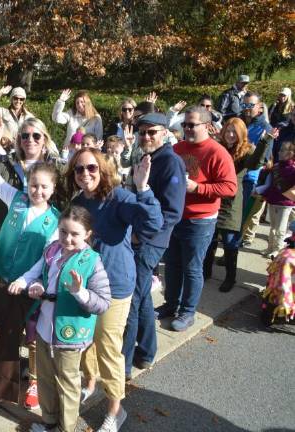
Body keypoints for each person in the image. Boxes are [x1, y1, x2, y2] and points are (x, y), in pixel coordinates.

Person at [65, 148, 163, 432]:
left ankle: (115, 411)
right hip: (85, 284)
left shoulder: (118, 197)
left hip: (115, 286)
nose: (86, 174)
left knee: (108, 348)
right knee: (86, 342)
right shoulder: (78, 202)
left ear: (103, 170)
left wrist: (143, 188)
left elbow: (153, 224)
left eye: (92, 168)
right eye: (79, 169)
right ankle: (91, 383)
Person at [9, 205, 111, 432]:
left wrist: (79, 291)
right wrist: (34, 285)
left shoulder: (92, 261)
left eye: (75, 234)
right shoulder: (52, 250)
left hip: (70, 334)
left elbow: (103, 302)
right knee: (45, 378)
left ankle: (66, 428)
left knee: (68, 384)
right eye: (64, 231)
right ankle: (50, 421)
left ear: (87, 234)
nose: (68, 238)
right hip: (45, 328)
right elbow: (38, 276)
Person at [0, 119, 61, 409]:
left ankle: (36, 384)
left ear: (52, 189)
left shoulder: (55, 221)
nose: (37, 191)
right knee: (4, 331)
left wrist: (27, 281)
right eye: (33, 185)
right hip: (3, 277)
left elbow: (45, 259)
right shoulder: (15, 198)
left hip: (29, 285)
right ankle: (5, 378)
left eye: (43, 187)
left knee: (32, 334)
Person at [156, 106, 237, 331]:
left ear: (207, 126)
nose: (188, 129)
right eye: (185, 125)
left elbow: (230, 188)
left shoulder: (217, 152)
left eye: (192, 125)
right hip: (174, 217)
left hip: (200, 220)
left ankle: (187, 311)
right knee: (172, 264)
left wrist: (197, 188)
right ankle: (171, 304)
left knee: (192, 268)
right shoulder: (177, 148)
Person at [121, 113, 186, 379]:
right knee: (143, 296)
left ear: (165, 133)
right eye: (143, 132)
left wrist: (141, 236)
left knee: (131, 301)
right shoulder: (147, 157)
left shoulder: (170, 162)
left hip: (149, 242)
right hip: (138, 237)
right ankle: (146, 351)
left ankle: (122, 366)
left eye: (152, 132)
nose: (146, 136)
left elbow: (173, 212)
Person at [203, 119, 272, 291]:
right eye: (228, 131)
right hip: (214, 197)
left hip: (232, 201)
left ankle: (230, 277)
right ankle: (205, 271)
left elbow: (255, 163)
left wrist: (266, 141)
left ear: (241, 134)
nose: (230, 135)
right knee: (210, 239)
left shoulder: (247, 150)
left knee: (230, 241)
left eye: (234, 132)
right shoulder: (218, 146)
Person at [0, 117, 61, 238]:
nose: (30, 139)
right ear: (19, 139)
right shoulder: (6, 162)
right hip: (5, 232)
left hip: (43, 233)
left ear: (45, 138)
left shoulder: (57, 167)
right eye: (25, 136)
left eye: (36, 136)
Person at [240, 92, 273, 247]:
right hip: (235, 175)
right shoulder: (238, 122)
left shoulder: (265, 128)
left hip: (250, 179)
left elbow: (264, 159)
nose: (246, 108)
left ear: (260, 108)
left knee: (244, 216)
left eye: (250, 105)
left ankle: (233, 251)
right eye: (244, 104)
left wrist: (248, 149)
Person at [261, 141, 295, 259]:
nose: (279, 152)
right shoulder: (275, 167)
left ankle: (278, 250)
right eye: (280, 150)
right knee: (272, 227)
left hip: (286, 203)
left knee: (281, 229)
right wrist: (265, 195)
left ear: (290, 153)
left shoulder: (293, 169)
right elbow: (271, 184)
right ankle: (270, 248)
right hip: (273, 201)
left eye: (283, 150)